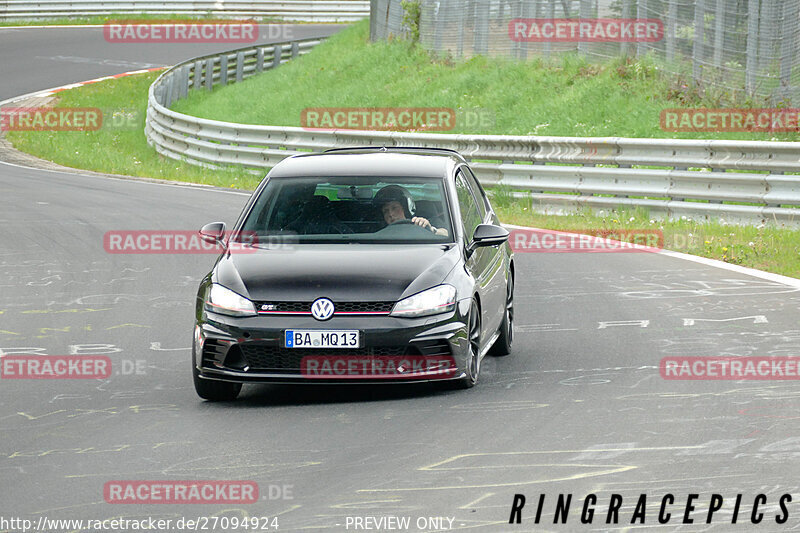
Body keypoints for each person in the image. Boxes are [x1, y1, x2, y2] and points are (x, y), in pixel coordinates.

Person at [373, 185, 448, 236]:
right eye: (385, 211)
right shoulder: (377, 231)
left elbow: (446, 234)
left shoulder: (429, 221)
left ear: (406, 208)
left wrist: (431, 230)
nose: (390, 214)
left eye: (395, 208)